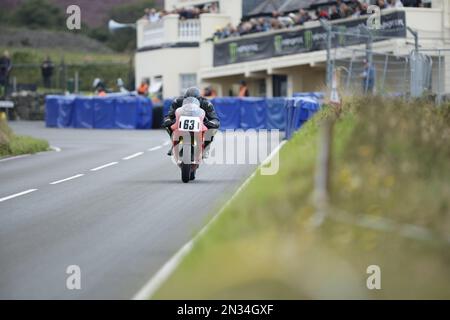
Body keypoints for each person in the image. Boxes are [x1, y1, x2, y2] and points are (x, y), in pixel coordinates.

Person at [163, 87, 220, 157]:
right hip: (181, 122)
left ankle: (205, 147)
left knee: (213, 129)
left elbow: (214, 117)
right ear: (185, 97)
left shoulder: (206, 103)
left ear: (199, 98)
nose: (191, 103)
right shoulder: (178, 101)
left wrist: (213, 123)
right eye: (188, 99)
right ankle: (174, 144)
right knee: (168, 126)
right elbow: (170, 114)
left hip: (201, 123)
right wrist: (168, 120)